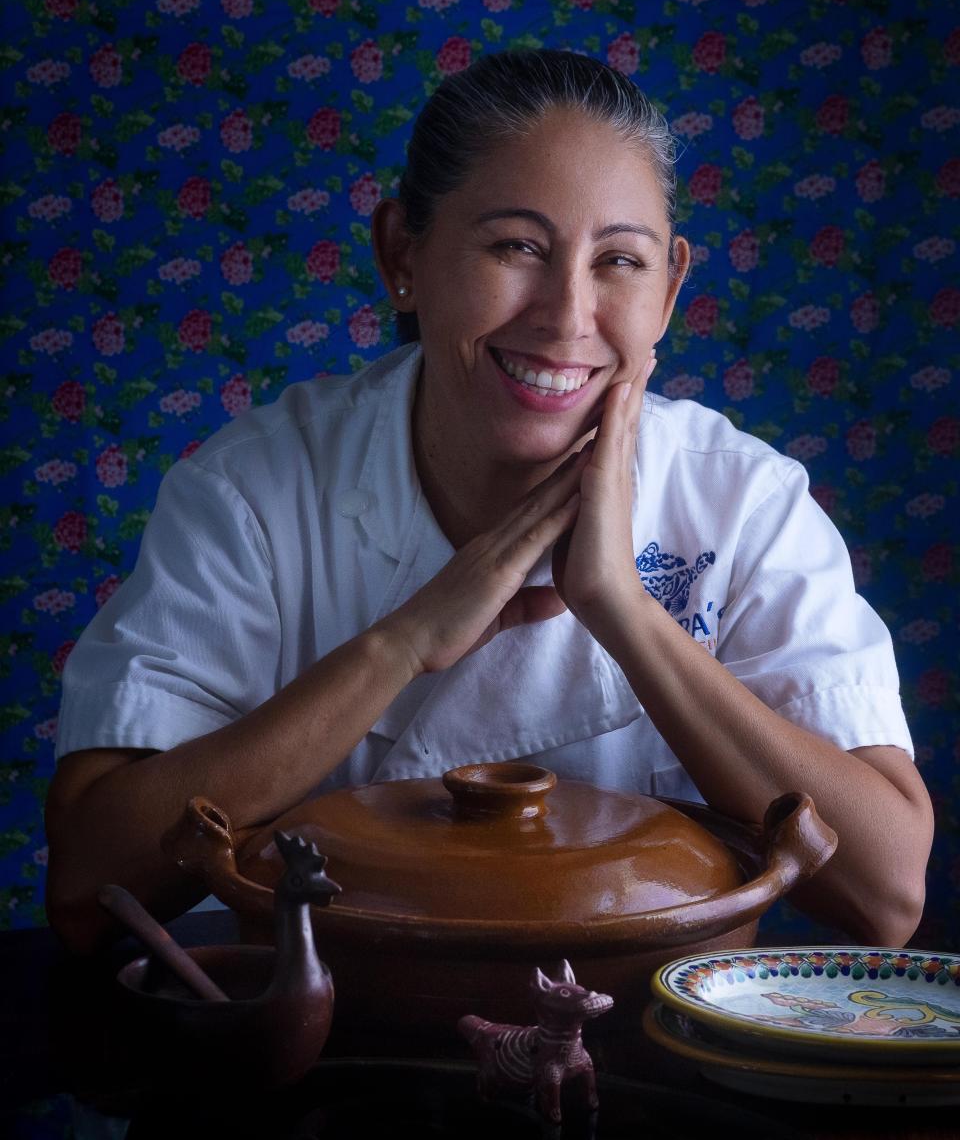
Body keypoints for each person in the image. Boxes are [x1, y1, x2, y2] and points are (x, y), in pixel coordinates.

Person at [45, 49, 933, 955]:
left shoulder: (742, 502)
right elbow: (88, 881)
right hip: (342, 1055)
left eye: (620, 260)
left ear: (669, 290)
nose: (566, 316)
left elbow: (886, 897)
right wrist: (405, 642)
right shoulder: (256, 491)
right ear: (402, 254)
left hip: (658, 1057)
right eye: (518, 247)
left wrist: (623, 611)